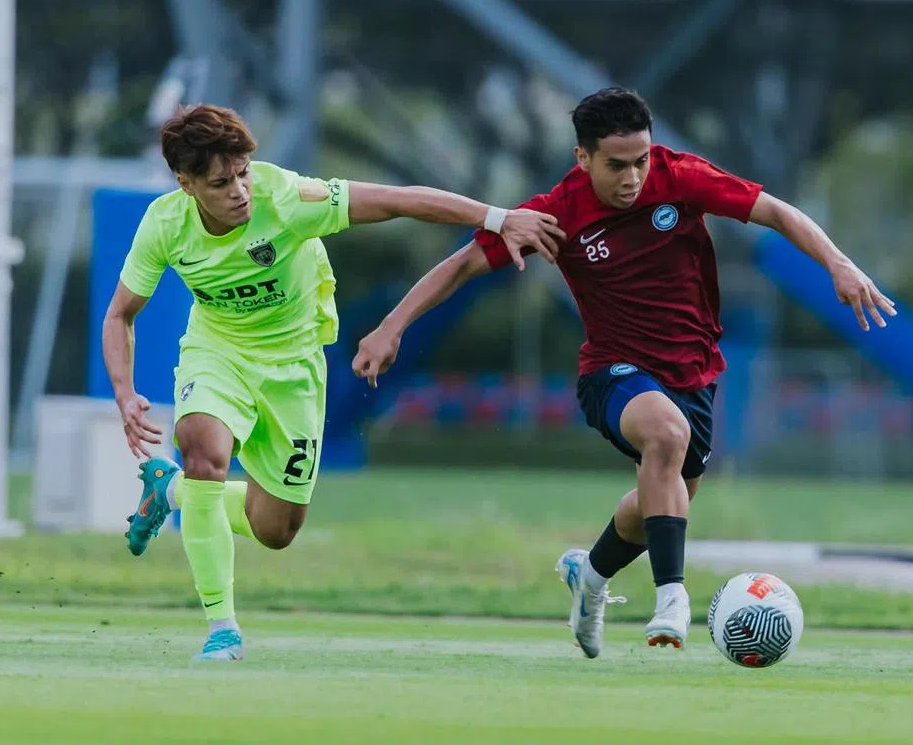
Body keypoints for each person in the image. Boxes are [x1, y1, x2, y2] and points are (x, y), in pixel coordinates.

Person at [351, 87, 896, 658]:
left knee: (661, 497)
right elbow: (463, 263)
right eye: (617, 164)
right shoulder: (557, 214)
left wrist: (839, 262)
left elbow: (776, 212)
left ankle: (588, 577)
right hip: (614, 372)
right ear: (583, 158)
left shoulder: (681, 177)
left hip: (694, 371)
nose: (633, 176)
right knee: (665, 435)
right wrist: (392, 327)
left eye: (641, 160)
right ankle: (672, 598)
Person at [101, 103, 565, 662]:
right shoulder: (164, 224)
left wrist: (496, 217)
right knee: (203, 451)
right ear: (186, 183)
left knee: (275, 529)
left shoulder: (290, 199)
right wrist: (125, 393)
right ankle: (221, 627)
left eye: (244, 173)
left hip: (295, 365)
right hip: (216, 353)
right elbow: (120, 314)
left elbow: (400, 200)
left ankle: (168, 490)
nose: (241, 191)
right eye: (221, 183)